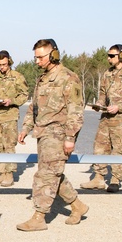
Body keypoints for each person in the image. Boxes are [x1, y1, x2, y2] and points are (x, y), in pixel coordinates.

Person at [16, 39, 88, 231]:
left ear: (54, 55)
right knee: (54, 172)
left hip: (58, 133)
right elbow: (34, 107)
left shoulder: (68, 78)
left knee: (45, 175)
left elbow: (76, 110)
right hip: (43, 133)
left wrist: (70, 138)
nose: (37, 62)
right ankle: (78, 206)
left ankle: (39, 217)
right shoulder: (43, 79)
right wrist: (25, 128)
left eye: (41, 57)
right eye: (35, 58)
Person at [81, 44, 122, 193]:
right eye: (108, 55)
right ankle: (98, 179)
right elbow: (103, 94)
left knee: (120, 149)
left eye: (112, 56)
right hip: (106, 118)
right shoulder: (107, 74)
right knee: (100, 147)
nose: (109, 58)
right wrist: (99, 104)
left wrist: (119, 107)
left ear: (121, 56)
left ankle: (115, 180)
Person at [0, 50, 29, 187]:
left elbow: (24, 95)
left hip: (10, 116)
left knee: (9, 145)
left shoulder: (17, 77)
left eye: (4, 64)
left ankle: (9, 175)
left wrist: (12, 101)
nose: (2, 67)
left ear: (9, 62)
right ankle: (1, 173)